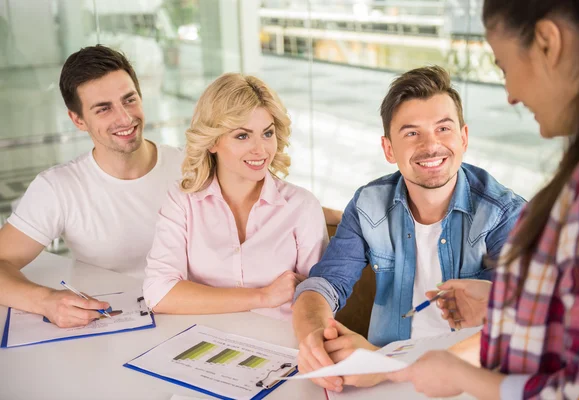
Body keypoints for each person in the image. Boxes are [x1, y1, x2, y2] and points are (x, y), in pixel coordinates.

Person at [385, 0, 579, 398]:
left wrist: (460, 377)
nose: (511, 95)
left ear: (547, 43)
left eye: (503, 66)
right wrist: (507, 306)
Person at [292, 65, 526, 392]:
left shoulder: (504, 213)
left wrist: (391, 368)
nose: (431, 145)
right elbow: (322, 285)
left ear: (464, 137)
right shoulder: (368, 204)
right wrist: (315, 341)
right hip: (380, 378)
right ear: (389, 149)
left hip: (467, 380)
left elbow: (523, 322)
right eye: (412, 132)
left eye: (443, 129)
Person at [0, 45, 183, 328]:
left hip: (195, 318)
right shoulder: (58, 187)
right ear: (78, 120)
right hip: (112, 327)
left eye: (129, 100)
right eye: (103, 109)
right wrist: (45, 300)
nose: (124, 118)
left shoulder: (190, 167)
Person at [142, 73, 329, 321]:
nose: (260, 149)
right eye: (242, 136)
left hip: (285, 348)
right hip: (203, 343)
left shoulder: (302, 207)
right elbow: (159, 293)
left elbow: (320, 303)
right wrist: (263, 296)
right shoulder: (183, 202)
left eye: (267, 133)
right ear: (211, 142)